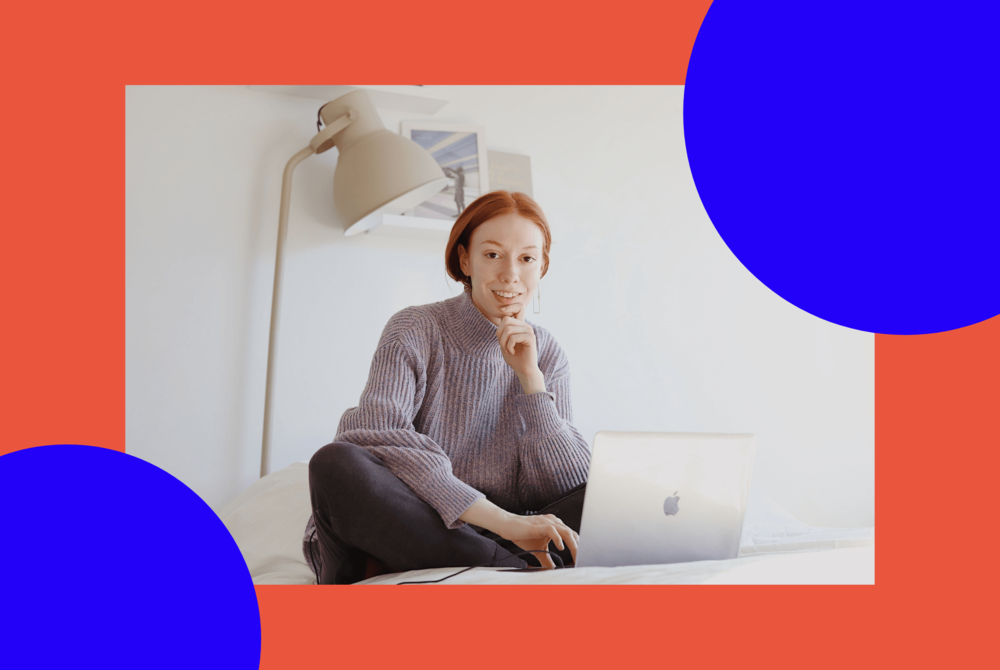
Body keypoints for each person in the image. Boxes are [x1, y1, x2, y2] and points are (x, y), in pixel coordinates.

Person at [303, 190, 590, 584]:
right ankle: (511, 568)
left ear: (542, 267)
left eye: (527, 258)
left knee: (603, 499)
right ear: (464, 259)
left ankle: (492, 559)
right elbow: (374, 436)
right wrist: (504, 522)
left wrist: (531, 382)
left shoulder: (547, 352)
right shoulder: (416, 328)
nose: (510, 274)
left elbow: (564, 485)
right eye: (492, 254)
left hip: (496, 534)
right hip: (416, 523)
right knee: (335, 463)